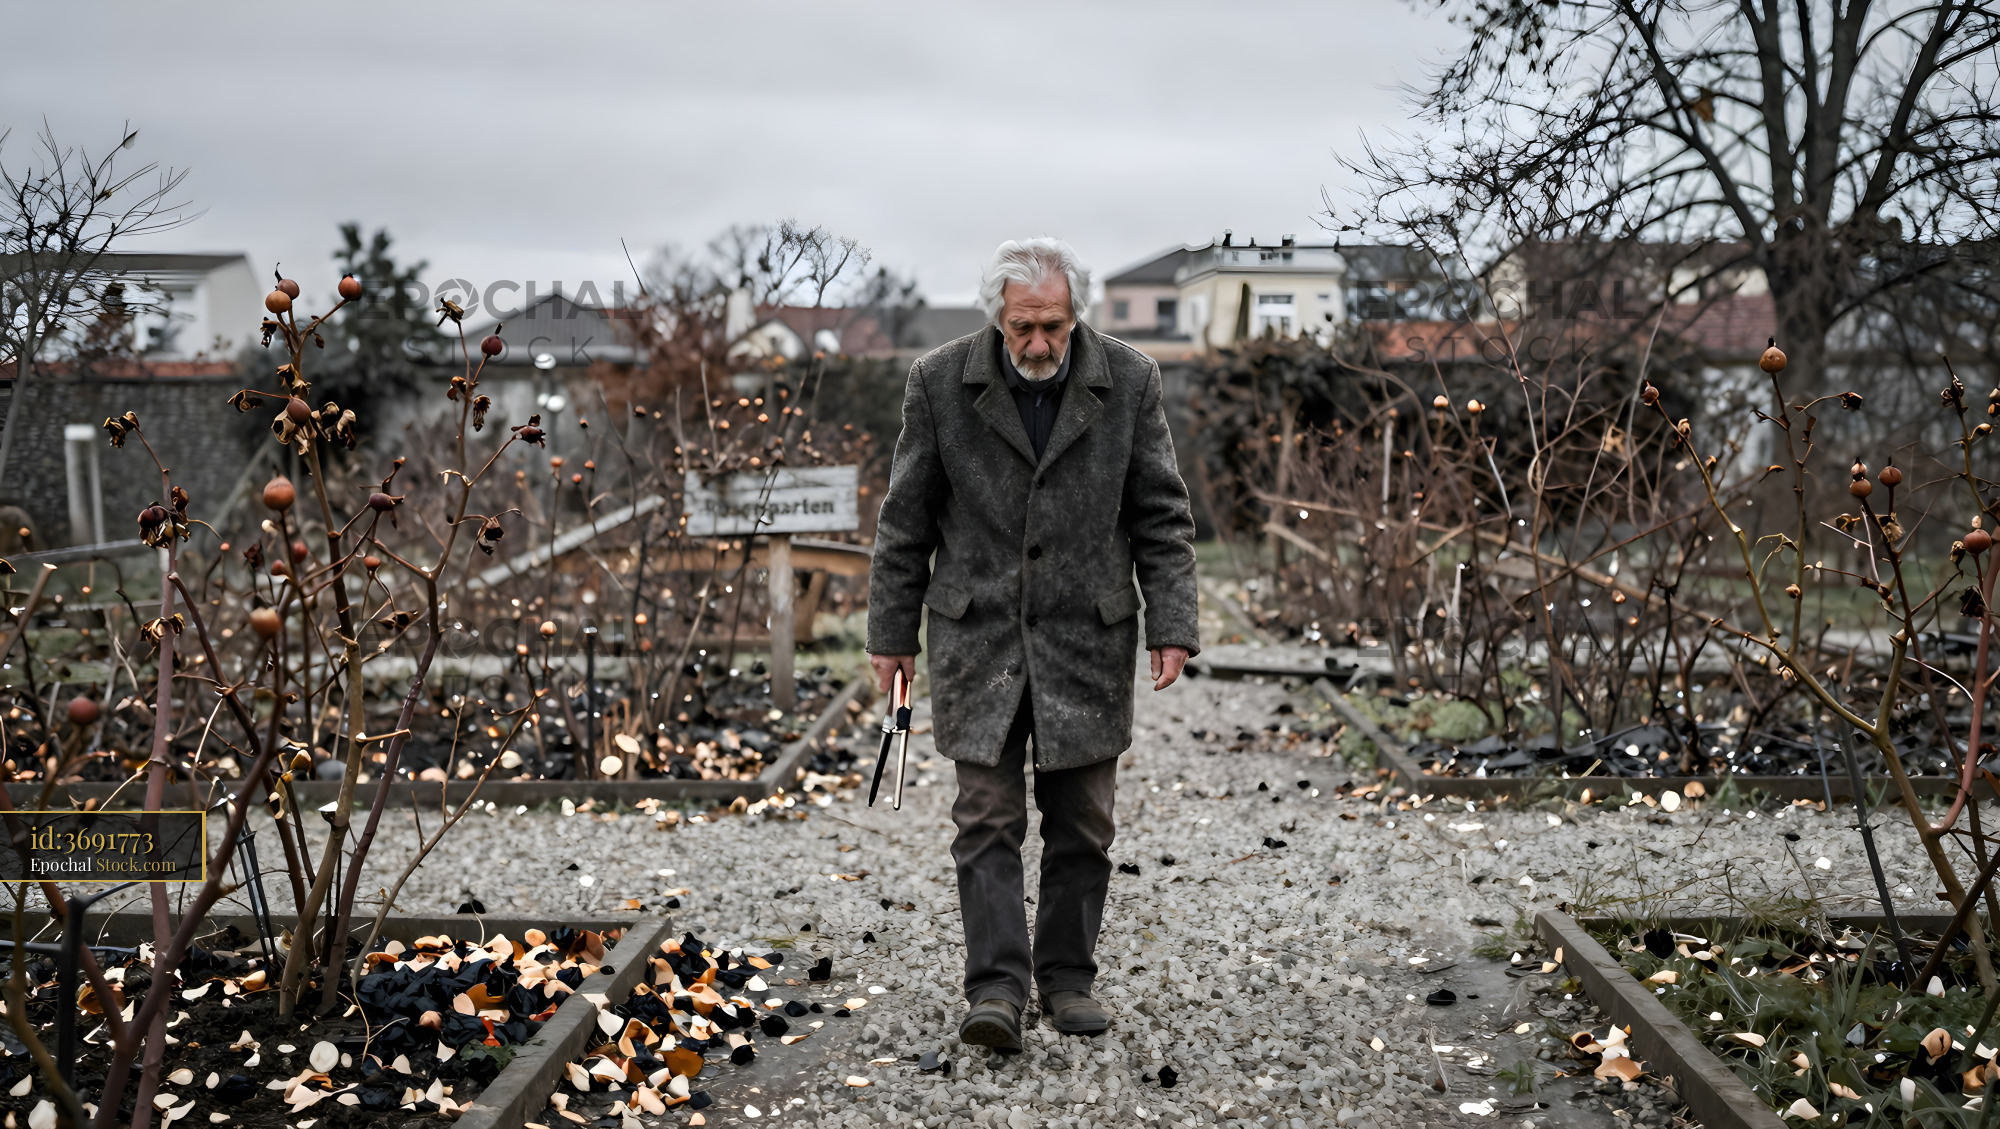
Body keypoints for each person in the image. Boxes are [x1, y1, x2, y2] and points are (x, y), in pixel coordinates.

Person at [866, 237, 1199, 1052]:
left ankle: (1067, 978)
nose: (1040, 343)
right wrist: (890, 633)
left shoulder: (1131, 380)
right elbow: (905, 521)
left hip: (1086, 638)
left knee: (1084, 822)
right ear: (998, 317)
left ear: (1075, 313)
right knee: (985, 818)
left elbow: (1161, 513)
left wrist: (1173, 623)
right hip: (976, 638)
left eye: (1054, 325)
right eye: (1024, 327)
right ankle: (996, 988)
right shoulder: (939, 382)